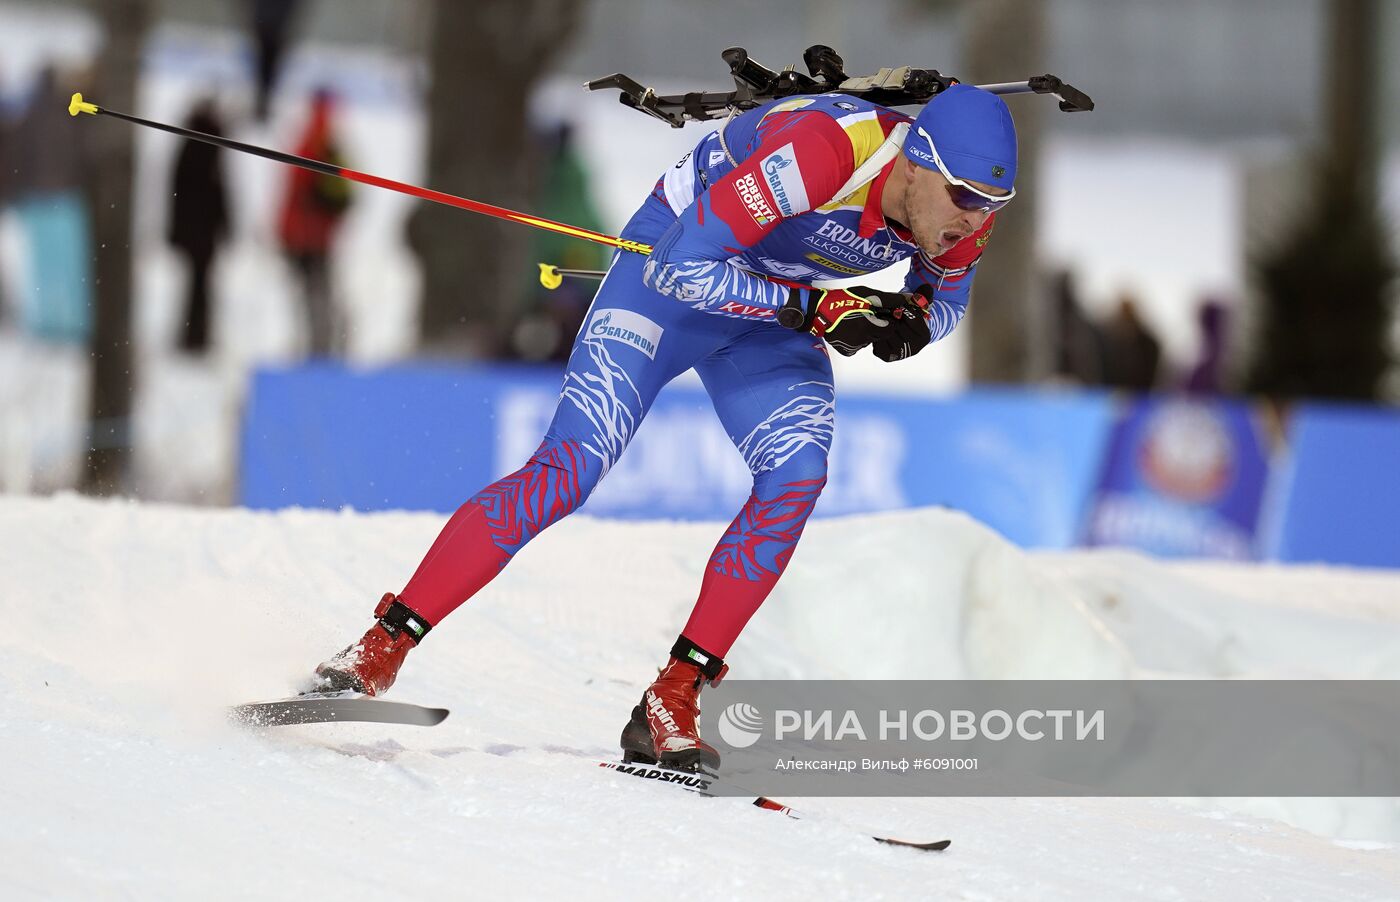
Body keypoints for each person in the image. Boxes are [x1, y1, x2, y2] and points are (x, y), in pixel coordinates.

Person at [312, 84, 1017, 772]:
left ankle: (673, 698)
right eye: (964, 196)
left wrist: (908, 326)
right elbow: (685, 270)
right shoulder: (826, 151)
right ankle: (380, 647)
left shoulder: (959, 212)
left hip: (769, 319)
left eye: (994, 205)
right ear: (917, 162)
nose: (975, 217)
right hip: (673, 280)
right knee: (570, 470)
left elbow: (945, 303)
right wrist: (817, 303)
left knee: (797, 477)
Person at [277, 89, 352, 357]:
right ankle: (322, 350)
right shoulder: (323, 142)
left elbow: (294, 192)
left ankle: (320, 348)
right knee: (319, 295)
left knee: (313, 295)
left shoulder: (308, 140)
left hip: (303, 235)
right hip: (313, 237)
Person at [167, 99, 229, 353]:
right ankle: (195, 336)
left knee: (197, 285)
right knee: (199, 286)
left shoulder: (191, 146)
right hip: (201, 232)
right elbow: (216, 194)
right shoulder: (207, 147)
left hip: (195, 231)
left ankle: (194, 335)